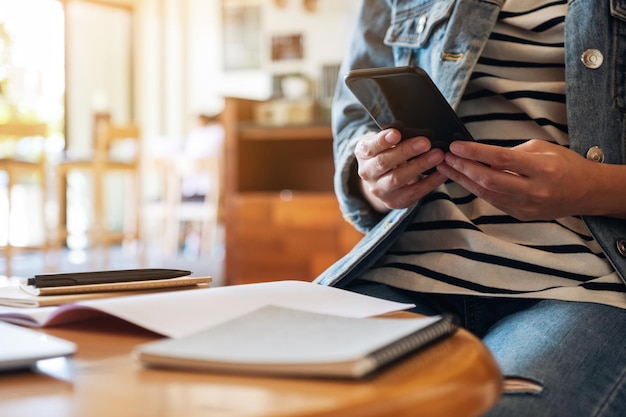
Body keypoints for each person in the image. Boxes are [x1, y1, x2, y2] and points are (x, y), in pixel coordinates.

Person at [314, 1, 626, 416]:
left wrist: (591, 188)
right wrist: (377, 181)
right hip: (398, 277)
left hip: (581, 290)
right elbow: (356, 124)